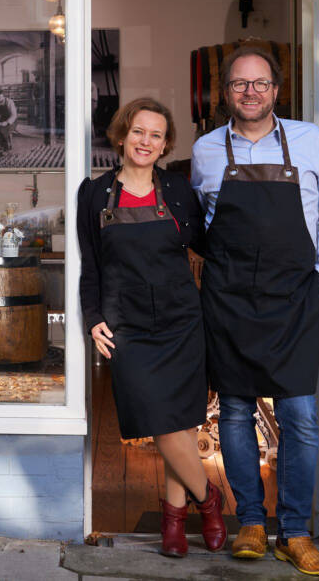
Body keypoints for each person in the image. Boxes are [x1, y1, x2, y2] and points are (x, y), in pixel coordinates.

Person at [191, 48, 319, 576]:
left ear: (276, 90)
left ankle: (296, 532)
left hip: (293, 298)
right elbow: (200, 221)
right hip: (230, 298)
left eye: (260, 84)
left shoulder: (310, 140)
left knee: (300, 417)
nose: (250, 92)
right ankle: (252, 523)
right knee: (234, 411)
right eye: (239, 84)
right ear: (226, 93)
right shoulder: (206, 150)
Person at [78, 97, 226, 558]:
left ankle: (173, 523)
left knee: (179, 423)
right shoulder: (94, 193)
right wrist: (93, 318)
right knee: (159, 421)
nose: (146, 142)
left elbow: (211, 247)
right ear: (122, 135)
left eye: (156, 135)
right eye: (138, 132)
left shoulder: (180, 191)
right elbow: (91, 266)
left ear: (165, 145)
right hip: (130, 326)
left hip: (182, 321)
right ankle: (211, 501)